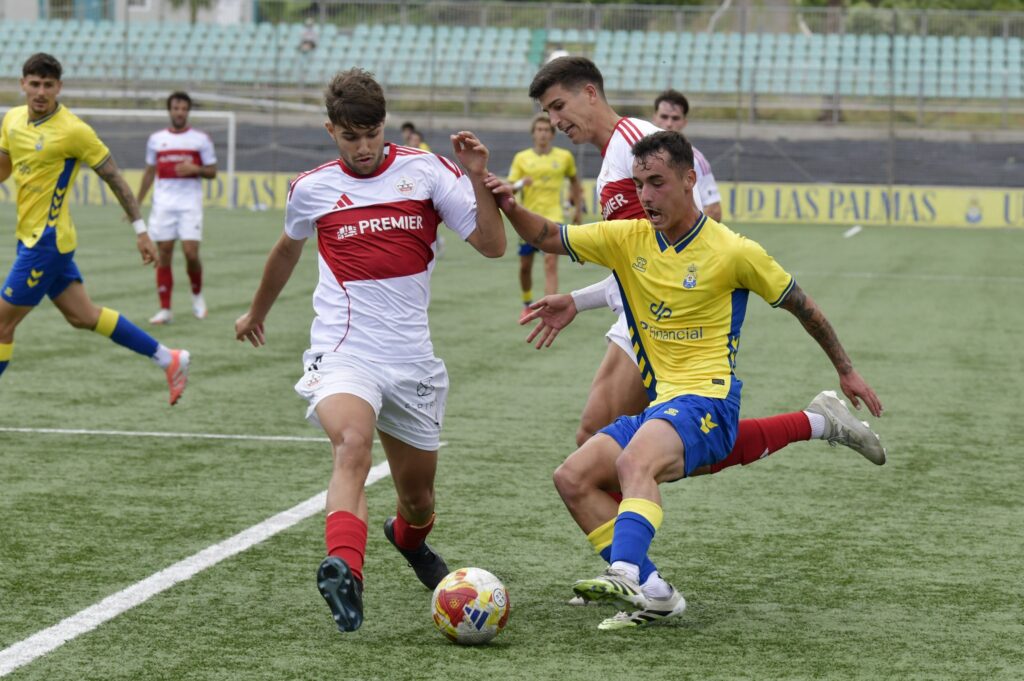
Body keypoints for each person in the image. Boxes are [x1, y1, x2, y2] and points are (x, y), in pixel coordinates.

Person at [498, 56, 885, 621]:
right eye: (640, 185)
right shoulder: (629, 236)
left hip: (707, 396)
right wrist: (505, 200)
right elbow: (545, 234)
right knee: (574, 475)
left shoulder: (733, 250)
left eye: (657, 183)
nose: (646, 196)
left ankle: (627, 572)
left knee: (635, 463)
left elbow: (804, 306)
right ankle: (657, 593)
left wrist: (846, 369)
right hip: (665, 393)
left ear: (688, 181)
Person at [234, 68, 506, 634]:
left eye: (372, 134)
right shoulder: (311, 188)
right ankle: (345, 570)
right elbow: (286, 251)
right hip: (343, 351)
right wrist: (257, 311)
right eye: (350, 136)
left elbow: (491, 245)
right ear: (330, 130)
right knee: (351, 444)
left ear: (385, 125)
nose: (363, 148)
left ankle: (406, 539)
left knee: (418, 500)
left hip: (412, 363)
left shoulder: (427, 171)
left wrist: (479, 179)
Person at [0, 53, 190, 404]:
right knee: (83, 316)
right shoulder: (11, 120)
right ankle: (169, 358)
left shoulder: (74, 130)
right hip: (32, 239)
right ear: (22, 84)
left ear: (59, 87)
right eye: (35, 83)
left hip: (47, 242)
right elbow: (4, 167)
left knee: (1, 326)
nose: (41, 91)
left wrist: (140, 229)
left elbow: (114, 177)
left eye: (48, 85)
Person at [137, 91, 217, 325]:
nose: (180, 112)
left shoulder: (200, 139)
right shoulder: (156, 139)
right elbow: (150, 171)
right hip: (163, 205)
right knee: (164, 255)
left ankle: (197, 297)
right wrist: (137, 201)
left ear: (188, 111)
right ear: (170, 110)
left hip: (189, 204)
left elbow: (212, 171)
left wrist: (196, 169)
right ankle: (165, 309)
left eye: (183, 109)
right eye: (176, 108)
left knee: (191, 253)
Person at [507, 112, 582, 314]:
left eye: (547, 130)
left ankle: (549, 308)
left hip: (553, 218)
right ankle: (526, 302)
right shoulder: (522, 158)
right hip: (527, 219)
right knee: (525, 266)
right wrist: (523, 182)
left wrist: (577, 209)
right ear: (533, 133)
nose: (543, 134)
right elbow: (510, 188)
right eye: (539, 130)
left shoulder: (564, 157)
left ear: (552, 133)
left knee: (550, 262)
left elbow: (575, 181)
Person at [653, 89, 722, 221]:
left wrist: (682, 236)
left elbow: (714, 210)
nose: (668, 123)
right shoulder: (635, 154)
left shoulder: (695, 160)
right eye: (664, 116)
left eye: (675, 118)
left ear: (684, 122)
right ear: (654, 117)